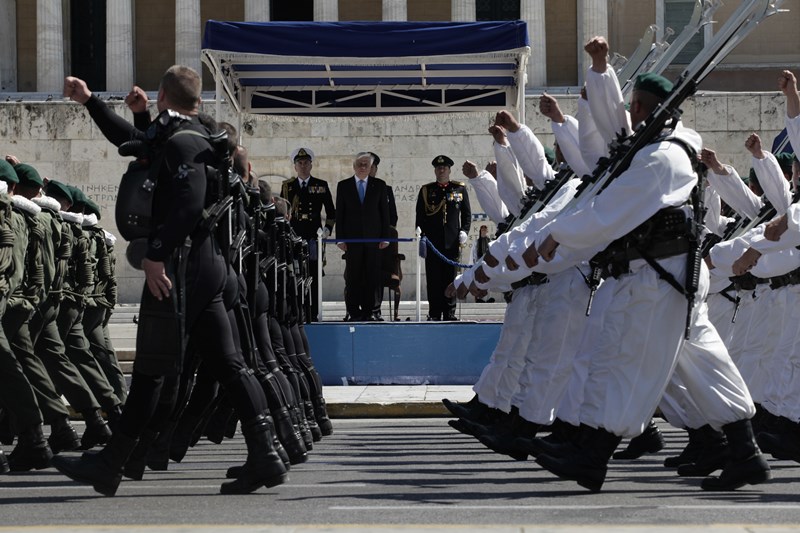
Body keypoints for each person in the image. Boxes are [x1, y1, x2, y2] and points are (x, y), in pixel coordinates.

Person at [54, 65, 287, 496]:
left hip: (182, 265)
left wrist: (157, 256)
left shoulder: (183, 143)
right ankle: (265, 454)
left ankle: (112, 463)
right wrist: (92, 102)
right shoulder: (198, 132)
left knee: (149, 368)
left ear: (163, 96)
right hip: (208, 264)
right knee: (229, 365)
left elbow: (188, 201)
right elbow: (136, 143)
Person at [280, 147, 335, 322]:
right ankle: (298, 311)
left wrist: (327, 230)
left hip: (313, 236)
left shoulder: (321, 185)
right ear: (295, 166)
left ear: (311, 165)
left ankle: (314, 312)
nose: (303, 166)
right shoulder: (287, 186)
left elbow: (332, 212)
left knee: (314, 274)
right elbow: (283, 211)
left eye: (306, 163)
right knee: (295, 274)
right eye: (299, 163)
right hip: (295, 236)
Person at [335, 152, 390, 322]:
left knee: (372, 276)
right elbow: (340, 214)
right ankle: (354, 311)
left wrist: (385, 237)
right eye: (359, 164)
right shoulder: (343, 186)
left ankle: (371, 310)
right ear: (354, 166)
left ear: (371, 167)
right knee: (353, 277)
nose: (362, 167)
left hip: (373, 240)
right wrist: (340, 238)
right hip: (352, 240)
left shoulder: (379, 185)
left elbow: (384, 214)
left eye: (366, 164)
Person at [416, 155, 471, 321]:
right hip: (433, 243)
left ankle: (449, 312)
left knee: (451, 279)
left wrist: (464, 231)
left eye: (444, 168)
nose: (441, 170)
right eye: (439, 168)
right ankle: (434, 312)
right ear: (435, 170)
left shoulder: (459, 189)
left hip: (451, 242)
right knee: (433, 280)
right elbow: (420, 216)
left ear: (449, 170)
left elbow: (467, 214)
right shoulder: (427, 190)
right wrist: (421, 236)